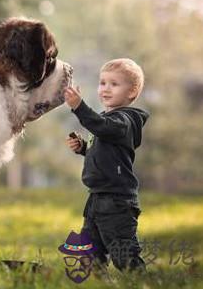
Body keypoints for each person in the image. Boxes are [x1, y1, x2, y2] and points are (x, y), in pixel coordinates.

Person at [64, 58, 149, 274]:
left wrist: (79, 107)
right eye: (102, 83)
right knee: (89, 254)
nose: (106, 89)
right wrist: (83, 147)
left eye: (114, 84)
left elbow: (103, 127)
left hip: (117, 202)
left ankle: (142, 282)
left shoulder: (126, 120)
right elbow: (105, 150)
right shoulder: (108, 121)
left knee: (125, 257)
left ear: (132, 92)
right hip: (96, 199)